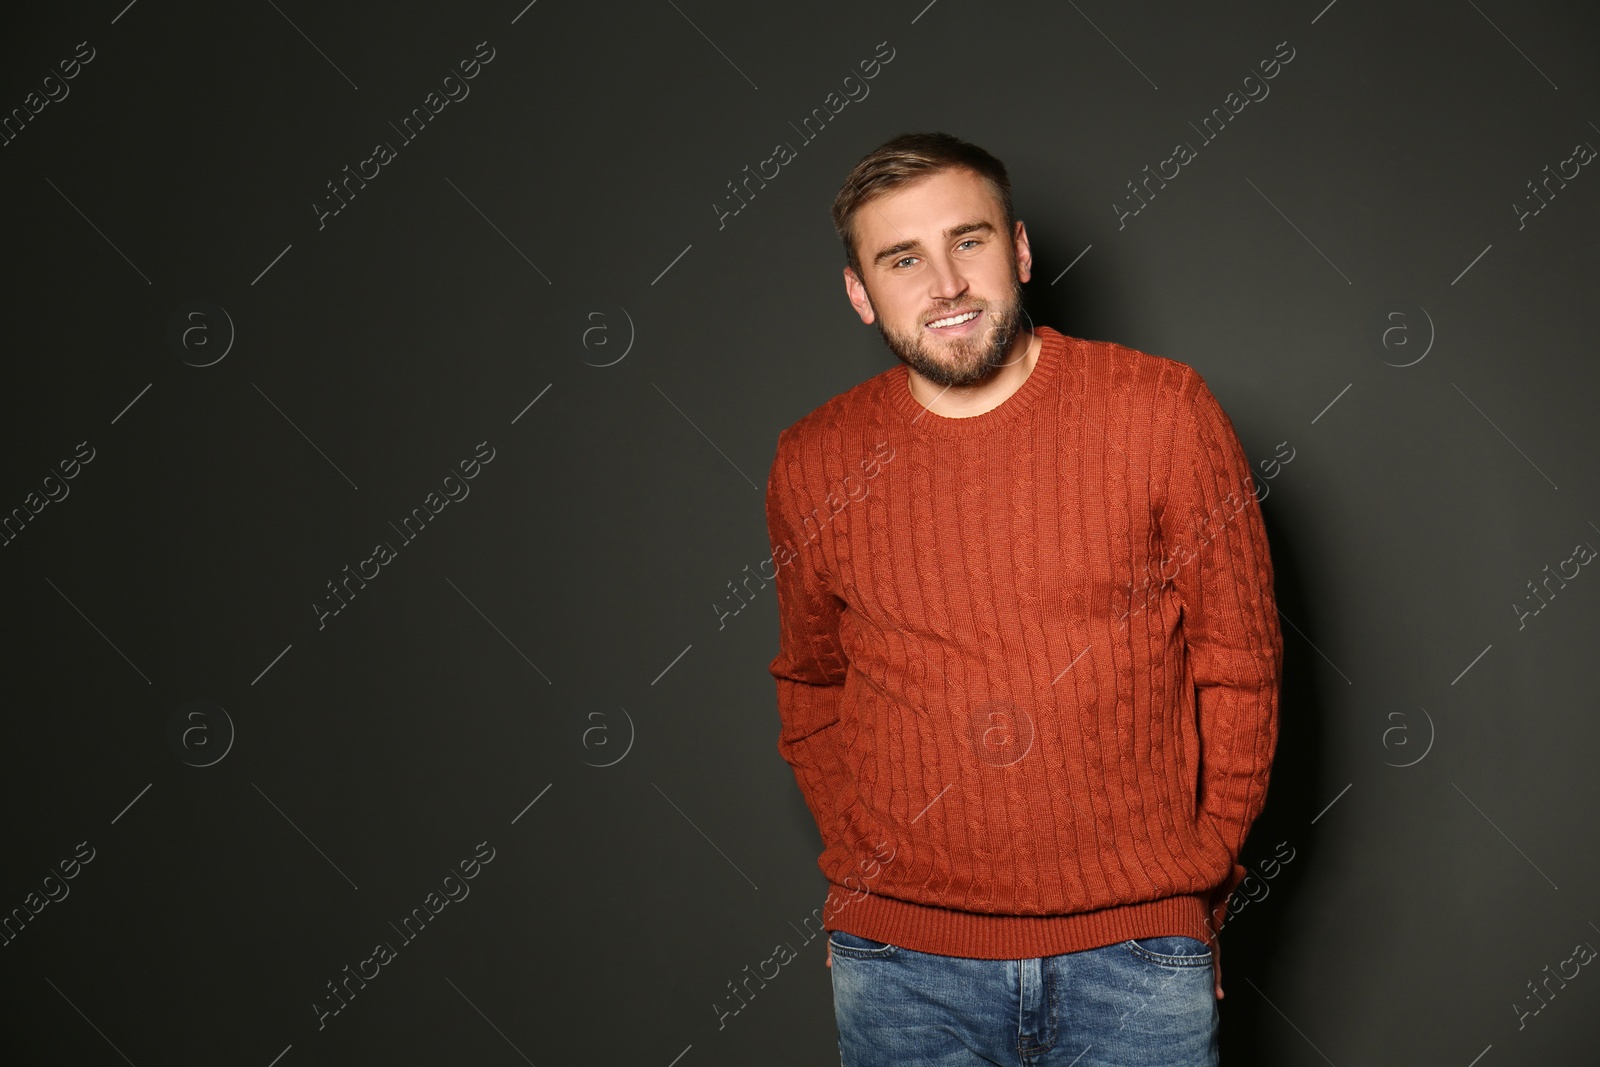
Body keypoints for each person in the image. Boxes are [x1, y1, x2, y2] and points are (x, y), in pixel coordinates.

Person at [764, 131, 1283, 1066]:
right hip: (903, 969)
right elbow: (810, 687)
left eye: (969, 241)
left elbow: (1241, 665)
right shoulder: (814, 462)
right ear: (859, 292)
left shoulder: (1163, 412)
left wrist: (1196, 890)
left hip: (1137, 956)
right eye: (902, 258)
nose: (946, 284)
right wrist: (879, 870)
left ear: (1021, 250)